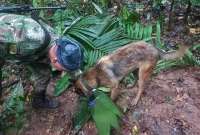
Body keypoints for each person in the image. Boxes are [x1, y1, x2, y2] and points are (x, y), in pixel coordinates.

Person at [0, 13, 84, 109]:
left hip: (30, 54)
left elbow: (72, 67)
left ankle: (38, 101)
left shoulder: (61, 46)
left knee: (44, 74)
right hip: (5, 45)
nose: (64, 71)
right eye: (64, 69)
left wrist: (84, 83)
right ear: (55, 60)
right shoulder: (25, 37)